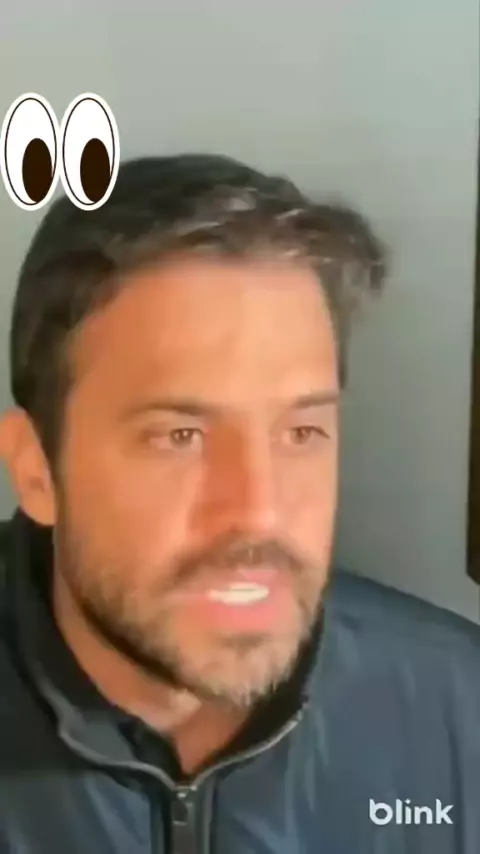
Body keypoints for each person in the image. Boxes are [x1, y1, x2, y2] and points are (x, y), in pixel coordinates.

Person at [0, 153, 479, 854]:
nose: (259, 513)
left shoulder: (459, 718)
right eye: (179, 436)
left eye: (301, 433)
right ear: (37, 470)